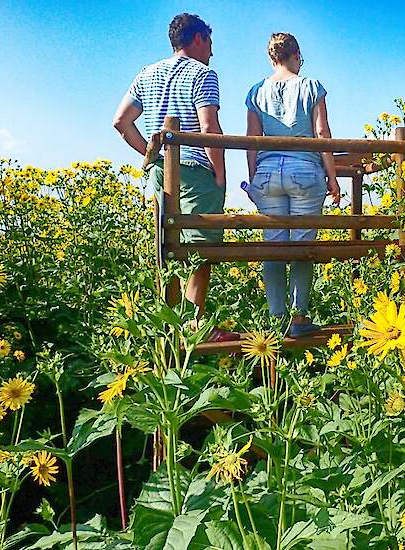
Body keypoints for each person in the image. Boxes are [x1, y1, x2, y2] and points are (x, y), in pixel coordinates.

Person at [112, 12, 237, 342]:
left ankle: (170, 327)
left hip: (158, 172)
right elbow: (209, 128)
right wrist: (220, 172)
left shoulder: (147, 73)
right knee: (201, 248)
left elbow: (121, 122)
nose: (211, 51)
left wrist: (149, 155)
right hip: (195, 169)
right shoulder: (203, 74)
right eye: (209, 43)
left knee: (166, 245)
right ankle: (196, 328)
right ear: (197, 39)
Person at [245, 33, 340, 337]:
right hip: (305, 171)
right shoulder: (311, 86)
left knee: (273, 246)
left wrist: (254, 179)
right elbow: (322, 133)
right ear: (296, 55)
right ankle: (299, 320)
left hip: (268, 173)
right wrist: (333, 177)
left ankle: (276, 321)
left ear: (272, 58)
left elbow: (251, 141)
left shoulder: (256, 91)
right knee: (301, 245)